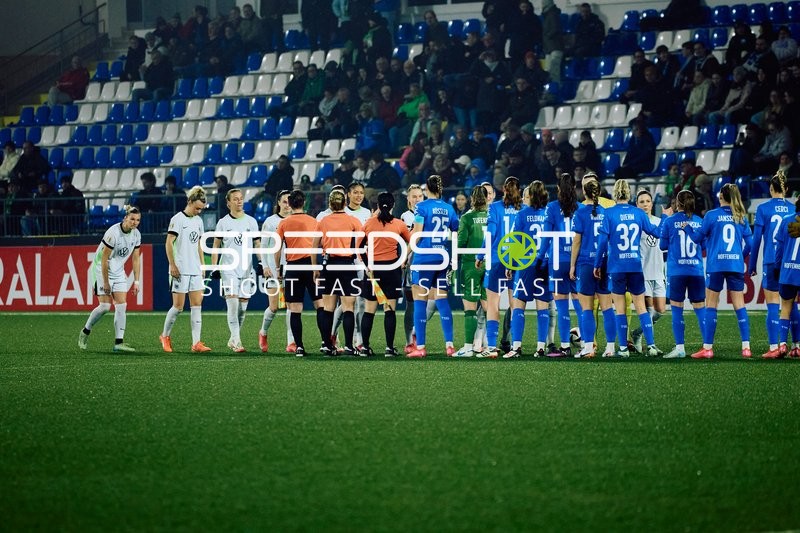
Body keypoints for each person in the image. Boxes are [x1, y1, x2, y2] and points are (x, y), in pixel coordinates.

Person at [681, 184, 753, 359]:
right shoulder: (740, 216)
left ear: (721, 196)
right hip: (735, 265)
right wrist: (738, 257)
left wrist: (687, 228)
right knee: (740, 305)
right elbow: (750, 245)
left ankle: (708, 348)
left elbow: (698, 239)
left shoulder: (711, 215)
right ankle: (746, 347)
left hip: (716, 265)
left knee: (712, 304)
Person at [594, 179, 663, 357]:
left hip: (617, 267)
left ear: (615, 194)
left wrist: (597, 264)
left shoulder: (608, 214)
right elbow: (656, 233)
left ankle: (623, 348)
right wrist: (665, 219)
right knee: (641, 307)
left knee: (620, 308)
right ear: (630, 194)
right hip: (635, 265)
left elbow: (602, 243)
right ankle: (652, 346)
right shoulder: (638, 213)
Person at [408, 175, 459, 357]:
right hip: (442, 257)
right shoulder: (448, 208)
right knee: (442, 300)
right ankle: (450, 346)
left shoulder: (421, 207)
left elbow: (417, 233)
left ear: (426, 189)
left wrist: (406, 255)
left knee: (420, 301)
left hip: (424, 257)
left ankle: (420, 348)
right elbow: (455, 231)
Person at [78, 206, 142, 352]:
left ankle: (118, 343)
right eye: (132, 219)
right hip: (102, 270)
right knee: (105, 307)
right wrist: (106, 282)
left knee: (121, 305)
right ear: (125, 218)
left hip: (118, 271)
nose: (135, 222)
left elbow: (136, 258)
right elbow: (104, 258)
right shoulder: (113, 234)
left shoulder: (136, 235)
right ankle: (85, 331)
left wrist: (137, 281)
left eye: (138, 220)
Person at [748, 172, 798, 358]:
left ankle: (773, 347)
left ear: (771, 188)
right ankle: (796, 345)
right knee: (791, 304)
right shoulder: (794, 209)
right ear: (786, 189)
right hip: (789, 262)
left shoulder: (763, 208)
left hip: (771, 260)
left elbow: (756, 240)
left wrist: (752, 265)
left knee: (772, 305)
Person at [274, 190, 327, 357]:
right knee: (320, 305)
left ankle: (299, 347)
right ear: (304, 202)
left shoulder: (284, 223)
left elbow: (277, 248)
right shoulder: (314, 221)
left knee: (295, 309)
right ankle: (326, 343)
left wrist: (278, 268)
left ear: (289, 203)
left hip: (293, 267)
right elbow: (322, 244)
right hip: (311, 266)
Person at [160, 186, 212, 353]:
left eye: (201, 209)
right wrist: (172, 264)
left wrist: (202, 264)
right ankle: (165, 336)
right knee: (178, 307)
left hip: (195, 268)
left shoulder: (198, 221)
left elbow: (198, 244)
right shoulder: (177, 219)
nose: (199, 212)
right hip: (180, 269)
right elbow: (169, 242)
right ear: (189, 202)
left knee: (197, 305)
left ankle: (196, 343)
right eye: (197, 208)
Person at [536, 173, 583, 357]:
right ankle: (587, 344)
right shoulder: (580, 208)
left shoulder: (552, 208)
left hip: (556, 262)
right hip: (576, 262)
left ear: (557, 189)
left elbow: (547, 237)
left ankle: (564, 346)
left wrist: (540, 258)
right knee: (581, 306)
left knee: (562, 306)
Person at [359, 192, 411, 356]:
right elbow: (411, 241)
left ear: (377, 205)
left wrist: (368, 265)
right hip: (392, 270)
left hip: (374, 270)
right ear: (393, 205)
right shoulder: (399, 224)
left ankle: (365, 348)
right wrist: (403, 259)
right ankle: (389, 348)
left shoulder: (368, 224)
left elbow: (360, 247)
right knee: (389, 309)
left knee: (369, 310)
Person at [570, 177, 617, 358]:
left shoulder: (580, 213)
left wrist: (572, 265)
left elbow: (577, 241)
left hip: (586, 263)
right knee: (607, 307)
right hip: (604, 262)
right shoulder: (606, 212)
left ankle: (589, 347)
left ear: (584, 192)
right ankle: (611, 347)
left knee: (587, 308)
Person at [475, 176, 522, 358]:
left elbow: (491, 235)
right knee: (515, 304)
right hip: (517, 261)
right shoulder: (523, 210)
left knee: (493, 304)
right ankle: (515, 347)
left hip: (497, 260)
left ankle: (492, 347)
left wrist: (480, 255)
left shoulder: (494, 208)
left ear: (503, 189)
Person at [505, 181, 553, 358]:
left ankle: (516, 347)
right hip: (545, 264)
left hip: (526, 265)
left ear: (530, 196)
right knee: (543, 307)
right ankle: (541, 347)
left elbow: (515, 241)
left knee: (519, 305)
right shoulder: (549, 213)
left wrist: (510, 265)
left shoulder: (522, 214)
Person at [313, 189, 364, 356]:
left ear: (330, 204)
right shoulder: (353, 220)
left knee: (328, 308)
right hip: (347, 265)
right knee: (349, 307)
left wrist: (315, 268)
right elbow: (361, 244)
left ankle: (327, 345)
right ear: (344, 203)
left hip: (329, 264)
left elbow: (314, 247)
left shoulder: (323, 221)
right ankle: (349, 346)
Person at [211, 189, 260, 353]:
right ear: (228, 203)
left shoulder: (251, 221)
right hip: (229, 269)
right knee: (233, 305)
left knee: (242, 308)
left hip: (247, 269)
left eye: (241, 199)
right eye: (236, 199)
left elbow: (257, 244)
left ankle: (233, 338)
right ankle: (237, 341)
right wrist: (215, 267)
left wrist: (260, 262)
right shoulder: (223, 222)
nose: (239, 201)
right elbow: (216, 245)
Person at [658, 191, 705, 358]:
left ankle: (680, 348)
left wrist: (666, 220)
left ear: (677, 203)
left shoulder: (670, 221)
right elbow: (704, 244)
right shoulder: (699, 221)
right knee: (700, 309)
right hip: (696, 270)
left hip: (677, 271)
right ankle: (707, 347)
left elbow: (662, 245)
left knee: (677, 309)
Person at [452, 185, 489, 357]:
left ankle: (468, 348)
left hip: (471, 265)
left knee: (470, 308)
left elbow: (461, 243)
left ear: (471, 199)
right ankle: (489, 346)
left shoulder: (467, 218)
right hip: (490, 265)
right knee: (489, 307)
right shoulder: (492, 215)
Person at [629, 190, 666, 353]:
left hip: (659, 271)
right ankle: (650, 344)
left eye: (647, 201)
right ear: (637, 205)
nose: (645, 204)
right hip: (643, 272)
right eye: (641, 202)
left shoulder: (659, 222)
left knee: (660, 311)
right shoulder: (636, 223)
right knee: (649, 309)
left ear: (652, 203)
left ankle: (636, 333)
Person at [258, 190, 295, 353]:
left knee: (290, 305)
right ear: (278, 203)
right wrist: (264, 265)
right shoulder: (270, 221)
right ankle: (263, 332)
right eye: (285, 201)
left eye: (290, 201)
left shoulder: (295, 220)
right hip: (273, 268)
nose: (287, 204)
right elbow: (263, 245)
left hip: (292, 266)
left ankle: (291, 342)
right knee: (273, 307)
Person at [773, 199, 800, 357]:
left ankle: (782, 344)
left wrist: (777, 268)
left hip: (788, 271)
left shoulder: (786, 220)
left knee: (785, 309)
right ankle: (797, 346)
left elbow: (779, 248)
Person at [401, 184, 424, 353]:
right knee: (411, 304)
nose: (417, 199)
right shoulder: (406, 217)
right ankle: (410, 340)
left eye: (420, 196)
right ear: (408, 199)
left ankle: (418, 338)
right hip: (411, 264)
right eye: (414, 196)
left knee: (425, 302)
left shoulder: (425, 213)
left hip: (427, 262)